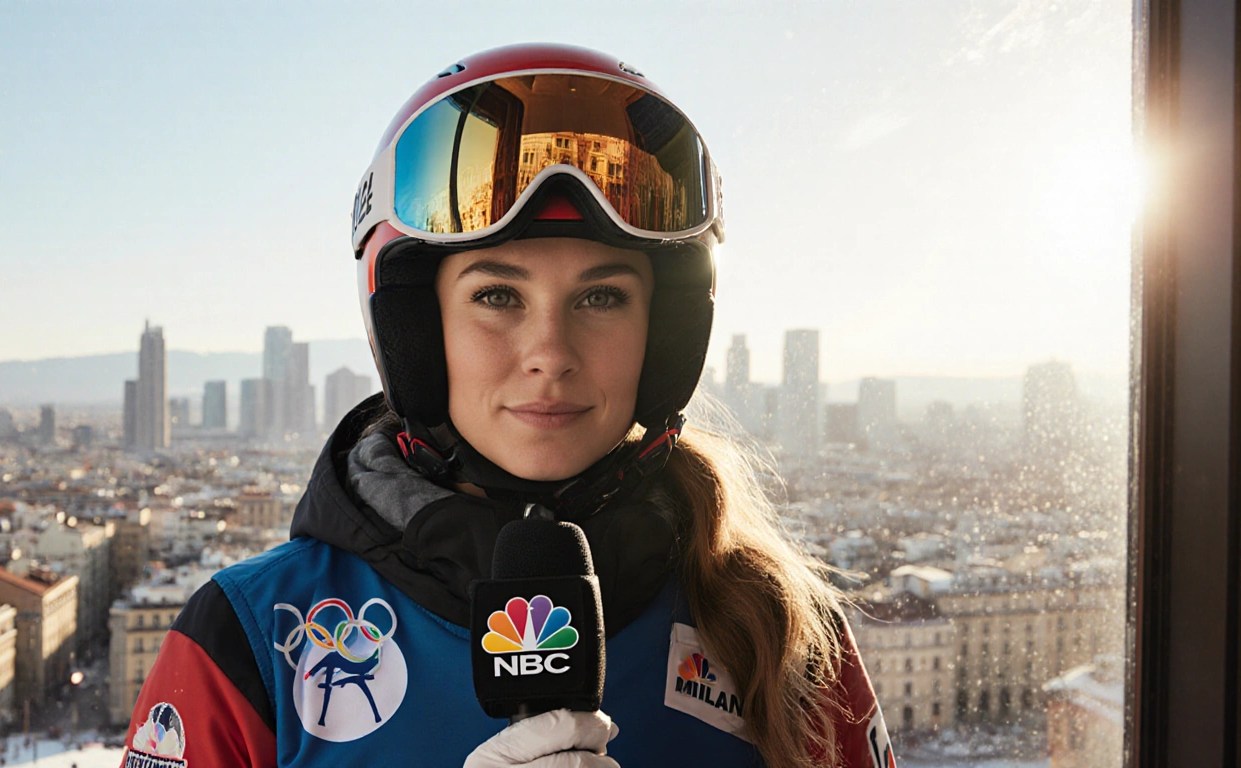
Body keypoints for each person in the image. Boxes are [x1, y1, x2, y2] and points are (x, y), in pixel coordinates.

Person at [119, 43, 894, 768]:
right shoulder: (251, 642)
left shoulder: (783, 635)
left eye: (602, 296)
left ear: (665, 334)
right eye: (496, 295)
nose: (550, 352)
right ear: (418, 330)